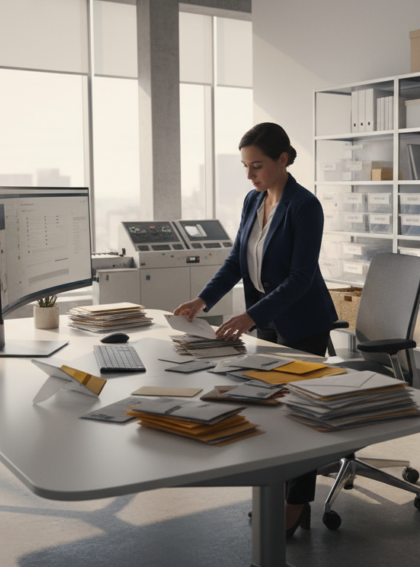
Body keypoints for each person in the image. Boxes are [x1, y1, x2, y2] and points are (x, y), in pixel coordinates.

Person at [174, 122, 337, 538]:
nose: (250, 176)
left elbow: (301, 277)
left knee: (301, 417)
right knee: (270, 409)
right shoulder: (253, 200)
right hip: (266, 321)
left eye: (258, 166)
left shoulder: (305, 206)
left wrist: (250, 316)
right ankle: (276, 490)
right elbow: (236, 262)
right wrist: (203, 300)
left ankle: (296, 505)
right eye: (246, 167)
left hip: (303, 324)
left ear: (283, 159)